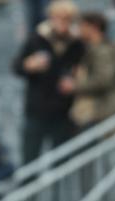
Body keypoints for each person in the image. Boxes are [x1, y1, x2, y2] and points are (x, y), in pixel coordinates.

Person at [12, 0, 84, 164]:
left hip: (63, 113)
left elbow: (84, 72)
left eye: (66, 19)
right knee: (30, 162)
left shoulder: (77, 44)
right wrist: (29, 65)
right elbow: (16, 67)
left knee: (61, 164)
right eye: (57, 18)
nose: (61, 23)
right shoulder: (37, 39)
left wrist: (76, 82)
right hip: (36, 111)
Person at [66, 12, 115, 132]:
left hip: (99, 113)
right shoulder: (89, 48)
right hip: (93, 113)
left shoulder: (102, 51)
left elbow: (103, 80)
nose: (80, 29)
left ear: (94, 27)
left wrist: (75, 86)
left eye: (83, 25)